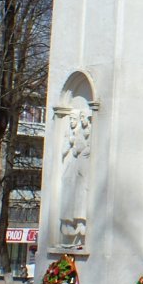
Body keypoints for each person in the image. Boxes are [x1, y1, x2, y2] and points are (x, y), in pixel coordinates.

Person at [59, 106, 92, 247]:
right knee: (68, 190)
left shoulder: (84, 133)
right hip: (73, 167)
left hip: (81, 168)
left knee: (80, 193)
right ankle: (68, 222)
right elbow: (64, 150)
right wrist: (70, 140)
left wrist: (75, 141)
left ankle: (80, 222)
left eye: (74, 119)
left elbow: (81, 148)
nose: (72, 121)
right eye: (70, 119)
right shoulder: (74, 133)